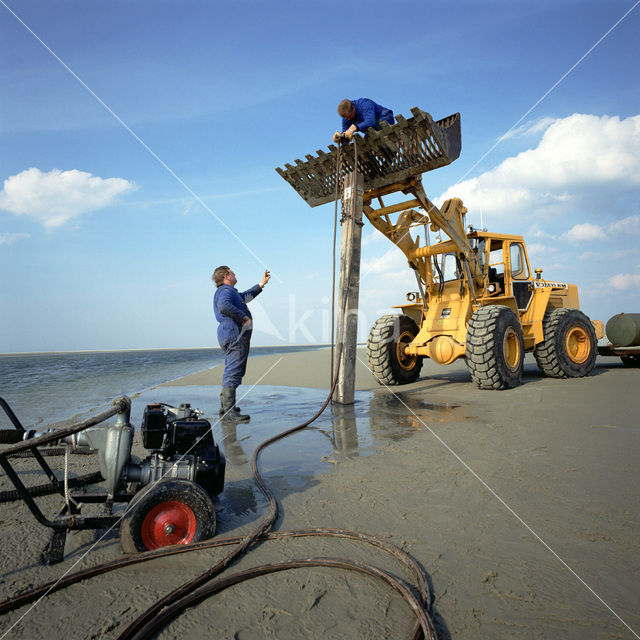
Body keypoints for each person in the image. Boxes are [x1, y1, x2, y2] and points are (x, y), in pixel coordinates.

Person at [212, 266, 271, 421]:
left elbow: (245, 297)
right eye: (232, 272)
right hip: (234, 335)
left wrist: (261, 284)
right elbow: (224, 306)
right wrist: (243, 317)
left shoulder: (230, 292)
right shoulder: (226, 291)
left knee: (232, 368)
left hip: (229, 334)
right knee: (234, 371)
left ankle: (226, 407)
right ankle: (229, 411)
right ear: (226, 276)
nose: (235, 274)